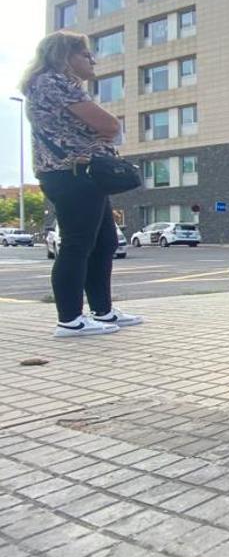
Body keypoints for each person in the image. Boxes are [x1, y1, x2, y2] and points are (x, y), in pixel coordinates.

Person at [20, 31, 143, 338]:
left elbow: (106, 128)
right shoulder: (53, 82)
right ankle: (70, 319)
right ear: (65, 56)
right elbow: (110, 126)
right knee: (77, 245)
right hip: (71, 174)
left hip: (80, 174)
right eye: (86, 55)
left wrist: (104, 131)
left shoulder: (50, 84)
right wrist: (107, 130)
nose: (93, 61)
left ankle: (102, 311)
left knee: (104, 243)